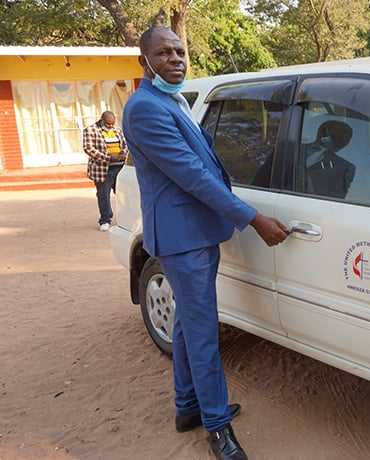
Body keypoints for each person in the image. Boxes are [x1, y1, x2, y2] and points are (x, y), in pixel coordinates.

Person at [122, 26, 288, 460]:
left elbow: (205, 163)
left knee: (185, 323)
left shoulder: (166, 100)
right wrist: (252, 218)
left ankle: (187, 407)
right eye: (164, 53)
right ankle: (217, 426)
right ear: (144, 61)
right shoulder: (144, 108)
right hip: (182, 238)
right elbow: (192, 176)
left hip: (195, 231)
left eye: (179, 51)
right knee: (201, 331)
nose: (175, 58)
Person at [82, 111, 128, 231]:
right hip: (103, 169)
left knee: (123, 195)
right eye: (108, 124)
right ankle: (105, 220)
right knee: (103, 195)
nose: (110, 126)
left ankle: (126, 219)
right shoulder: (91, 130)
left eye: (112, 124)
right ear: (102, 120)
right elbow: (88, 148)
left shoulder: (117, 130)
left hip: (119, 167)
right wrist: (107, 157)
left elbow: (125, 144)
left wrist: (122, 154)